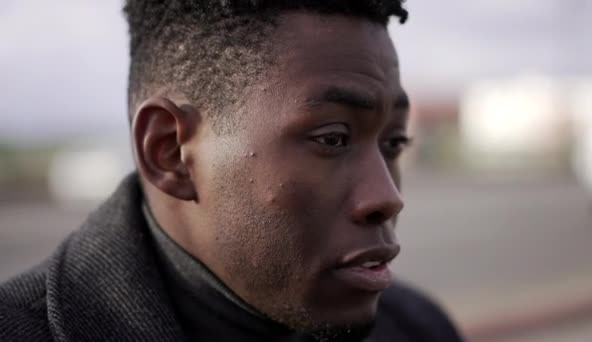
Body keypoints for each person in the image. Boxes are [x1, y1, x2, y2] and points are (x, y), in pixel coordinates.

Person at [0, 1, 462, 341]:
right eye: (332, 138)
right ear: (170, 152)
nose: (387, 197)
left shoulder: (419, 328)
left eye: (394, 142)